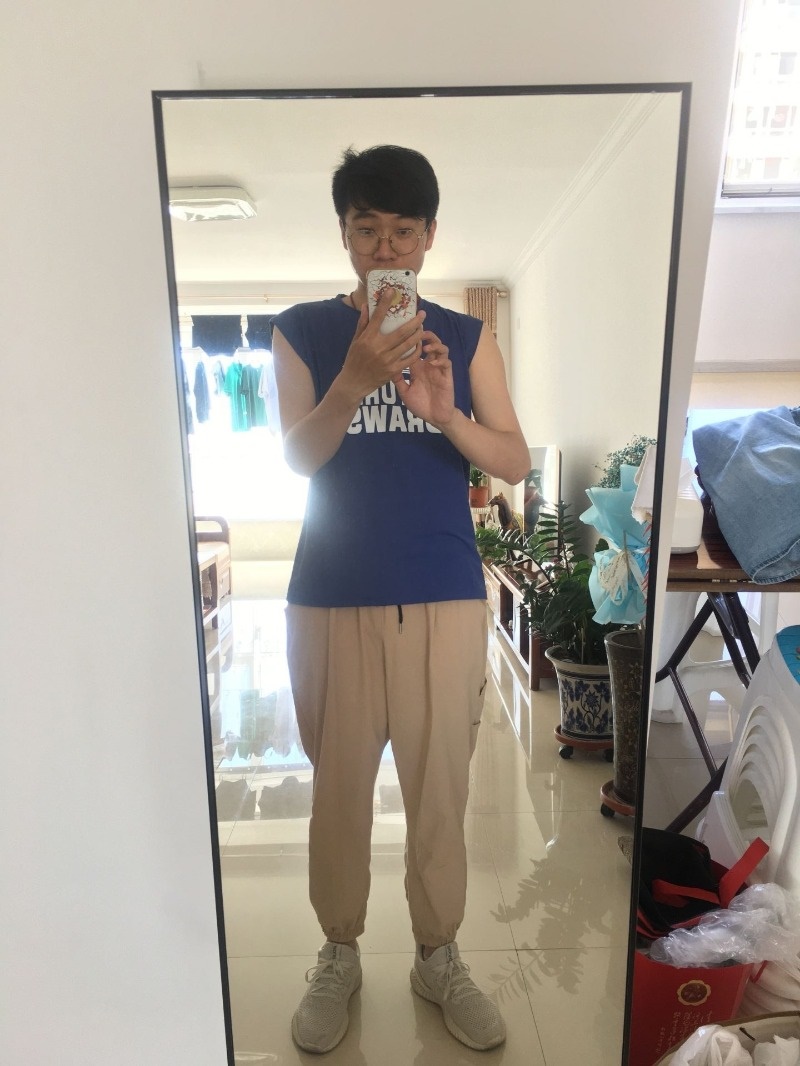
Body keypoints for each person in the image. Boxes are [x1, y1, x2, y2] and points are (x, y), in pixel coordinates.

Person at [271, 144, 529, 1054]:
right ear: (345, 236)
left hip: (443, 593)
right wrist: (353, 380)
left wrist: (447, 415)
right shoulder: (300, 330)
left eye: (403, 231)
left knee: (440, 786)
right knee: (339, 791)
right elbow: (298, 458)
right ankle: (338, 952)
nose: (386, 246)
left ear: (427, 239)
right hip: (330, 594)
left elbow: (514, 459)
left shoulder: (465, 337)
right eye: (367, 229)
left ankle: (438, 954)